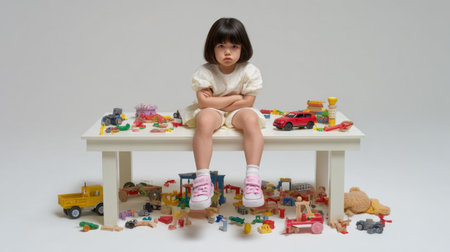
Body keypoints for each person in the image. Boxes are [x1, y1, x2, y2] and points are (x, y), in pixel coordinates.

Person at [181, 18, 266, 210]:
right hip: (213, 112)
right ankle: (203, 179)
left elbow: (248, 103)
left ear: (242, 48)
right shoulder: (205, 72)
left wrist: (216, 100)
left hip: (239, 112)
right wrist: (235, 96)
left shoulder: (249, 71)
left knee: (251, 119)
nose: (228, 52)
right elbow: (204, 104)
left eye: (234, 46)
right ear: (212, 48)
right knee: (204, 118)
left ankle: (252, 178)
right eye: (221, 46)